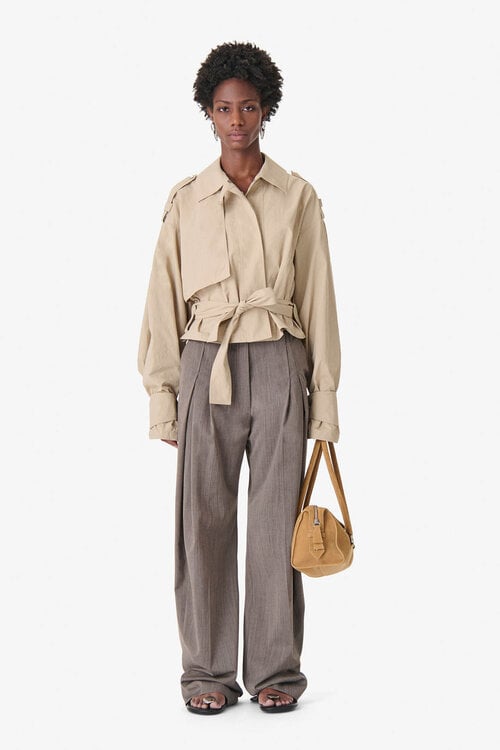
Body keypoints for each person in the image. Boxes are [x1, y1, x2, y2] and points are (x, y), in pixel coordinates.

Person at [137, 41, 341, 714]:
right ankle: (206, 671)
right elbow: (163, 299)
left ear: (266, 109)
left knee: (277, 522)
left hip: (281, 359)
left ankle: (276, 669)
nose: (236, 121)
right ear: (207, 111)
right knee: (203, 521)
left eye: (248, 107)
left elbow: (318, 297)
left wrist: (324, 401)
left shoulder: (298, 196)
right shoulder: (186, 199)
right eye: (224, 109)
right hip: (206, 361)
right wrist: (164, 398)